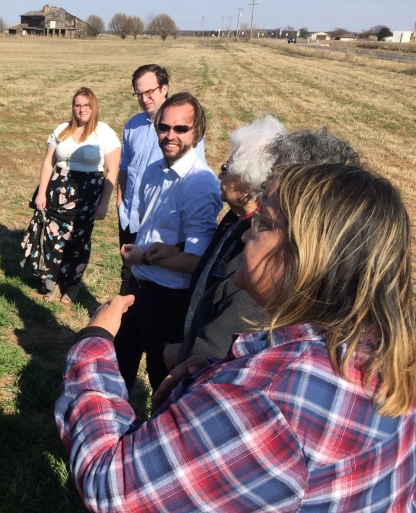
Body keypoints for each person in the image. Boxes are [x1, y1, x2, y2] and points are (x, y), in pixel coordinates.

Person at [56, 163, 416, 512]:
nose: (245, 235)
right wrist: (215, 377)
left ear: (307, 254)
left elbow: (110, 486)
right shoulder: (386, 353)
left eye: (263, 223)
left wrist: (94, 341)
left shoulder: (269, 398)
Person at [169, 128, 360, 367]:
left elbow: (223, 346)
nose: (248, 235)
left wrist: (194, 368)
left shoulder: (266, 274)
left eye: (267, 221)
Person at [143, 114, 286, 368]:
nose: (221, 170)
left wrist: (188, 355)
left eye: (229, 166)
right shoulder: (235, 217)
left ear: (249, 182)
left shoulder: (257, 241)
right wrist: (176, 248)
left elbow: (231, 323)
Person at [115, 92, 222, 393]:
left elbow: (197, 263)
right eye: (164, 127)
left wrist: (144, 258)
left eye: (180, 129)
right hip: (138, 288)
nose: (169, 135)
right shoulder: (154, 171)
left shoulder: (199, 184)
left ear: (197, 132)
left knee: (162, 382)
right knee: (119, 368)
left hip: (168, 301)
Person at [20, 87, 120, 304]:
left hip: (87, 194)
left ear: (94, 107)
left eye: (86, 105)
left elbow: (112, 171)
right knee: (53, 237)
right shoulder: (61, 130)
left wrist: (104, 204)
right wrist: (42, 193)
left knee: (79, 240)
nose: (81, 110)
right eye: (77, 105)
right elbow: (48, 163)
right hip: (57, 191)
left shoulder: (105, 133)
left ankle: (72, 284)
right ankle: (54, 281)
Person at [116, 64, 203, 293]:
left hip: (163, 224)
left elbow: (194, 175)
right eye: (138, 94)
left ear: (164, 88)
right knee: (129, 275)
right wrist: (120, 203)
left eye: (149, 92)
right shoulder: (132, 126)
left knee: (154, 276)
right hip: (130, 216)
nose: (144, 99)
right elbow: (124, 167)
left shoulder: (183, 133)